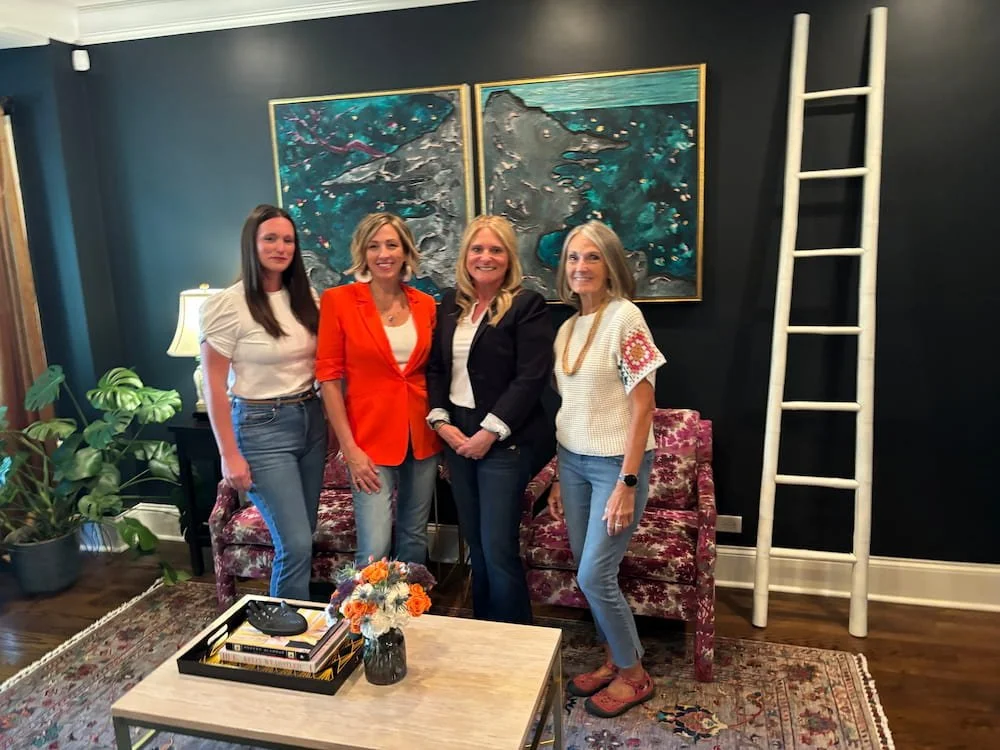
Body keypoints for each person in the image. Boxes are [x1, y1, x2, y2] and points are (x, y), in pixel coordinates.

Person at [547, 220, 666, 718]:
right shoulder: (568, 327)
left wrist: (627, 482)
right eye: (574, 257)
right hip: (573, 463)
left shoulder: (627, 318)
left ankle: (635, 676)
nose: (581, 266)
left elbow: (645, 406)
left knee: (597, 574)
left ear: (611, 264)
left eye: (592, 257)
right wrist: (557, 472)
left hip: (617, 465)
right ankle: (615, 659)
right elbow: (571, 406)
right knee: (587, 569)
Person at [426, 215, 553, 624]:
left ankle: (519, 647)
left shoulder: (526, 305)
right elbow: (436, 369)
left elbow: (530, 377)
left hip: (505, 441)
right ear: (465, 256)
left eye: (496, 249)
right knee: (475, 548)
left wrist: (488, 432)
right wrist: (441, 422)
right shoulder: (449, 304)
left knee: (498, 547)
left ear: (508, 257)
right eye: (478, 249)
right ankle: (484, 634)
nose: (486, 257)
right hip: (457, 435)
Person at [200, 204, 326, 601]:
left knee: (303, 534)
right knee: (296, 544)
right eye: (270, 238)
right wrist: (229, 455)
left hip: (311, 419)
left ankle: (305, 630)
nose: (280, 247)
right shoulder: (228, 305)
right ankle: (283, 637)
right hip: (261, 427)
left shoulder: (307, 299)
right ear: (251, 244)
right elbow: (214, 387)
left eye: (288, 239)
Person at [316, 213, 440, 567]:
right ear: (363, 253)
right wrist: (349, 448)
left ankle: (412, 617)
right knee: (375, 544)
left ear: (405, 252)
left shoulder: (425, 304)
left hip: (421, 437)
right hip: (367, 440)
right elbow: (328, 377)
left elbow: (431, 372)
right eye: (374, 246)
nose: (383, 253)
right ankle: (363, 622)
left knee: (415, 536)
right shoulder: (339, 301)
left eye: (391, 245)